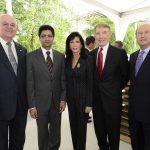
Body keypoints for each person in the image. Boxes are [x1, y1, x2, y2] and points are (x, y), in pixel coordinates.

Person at [26, 25, 66, 150]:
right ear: (39, 38)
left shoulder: (60, 56)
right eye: (43, 36)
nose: (46, 38)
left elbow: (63, 79)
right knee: (42, 135)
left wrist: (63, 99)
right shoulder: (30, 57)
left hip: (56, 103)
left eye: (49, 36)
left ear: (53, 37)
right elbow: (29, 82)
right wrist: (31, 105)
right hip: (39, 104)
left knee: (55, 135)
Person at [90, 23, 129, 150]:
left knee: (113, 135)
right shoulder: (91, 55)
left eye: (104, 32)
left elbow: (125, 75)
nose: (101, 36)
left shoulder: (119, 53)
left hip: (113, 102)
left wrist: (114, 89)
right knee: (100, 135)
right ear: (94, 35)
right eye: (98, 33)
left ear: (110, 34)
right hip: (96, 103)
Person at [0, 14, 28, 150]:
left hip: (20, 107)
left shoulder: (22, 50)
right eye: (5, 24)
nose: (9, 27)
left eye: (12, 25)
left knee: (18, 141)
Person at [65, 32, 93, 150]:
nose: (74, 44)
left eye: (77, 42)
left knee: (81, 130)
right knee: (73, 128)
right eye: (71, 42)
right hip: (71, 100)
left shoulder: (88, 59)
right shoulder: (67, 59)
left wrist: (89, 103)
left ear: (81, 44)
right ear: (68, 44)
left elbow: (91, 82)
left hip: (83, 101)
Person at [129, 23, 150, 150]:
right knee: (136, 143)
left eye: (146, 32)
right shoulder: (133, 56)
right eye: (139, 33)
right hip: (134, 111)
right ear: (136, 36)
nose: (142, 36)